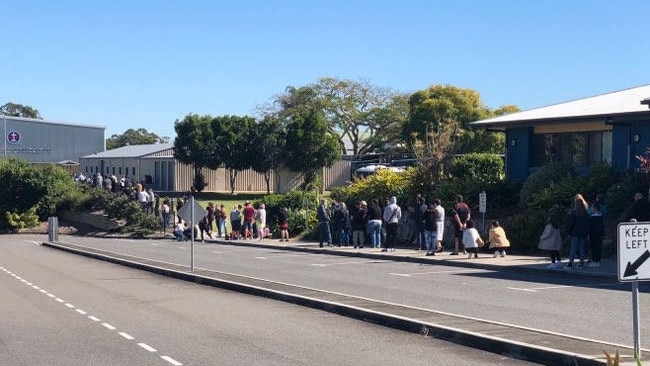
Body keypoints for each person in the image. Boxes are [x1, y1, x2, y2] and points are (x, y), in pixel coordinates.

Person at [565, 194, 589, 270]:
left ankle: (570, 263)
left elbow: (571, 223)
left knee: (573, 248)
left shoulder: (574, 213)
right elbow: (587, 224)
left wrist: (568, 231)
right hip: (582, 233)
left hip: (575, 232)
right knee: (581, 247)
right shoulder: (585, 213)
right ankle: (581, 263)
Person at [588, 201, 605, 268]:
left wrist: (588, 234)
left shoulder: (592, 217)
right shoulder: (601, 216)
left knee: (593, 248)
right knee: (599, 247)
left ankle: (594, 260)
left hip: (593, 234)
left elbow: (590, 227)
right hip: (599, 234)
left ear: (594, 208)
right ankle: (598, 260)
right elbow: (602, 226)